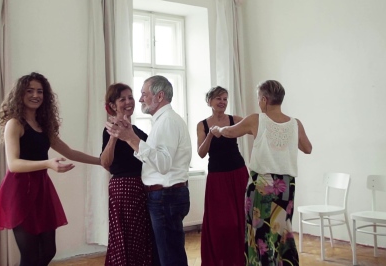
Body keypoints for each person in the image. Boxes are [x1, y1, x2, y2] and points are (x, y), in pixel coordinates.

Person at [0, 72, 101, 266]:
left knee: (48, 250)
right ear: (20, 93)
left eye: (40, 91)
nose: (35, 95)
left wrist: (100, 162)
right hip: (19, 192)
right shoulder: (14, 124)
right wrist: (47, 163)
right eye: (30, 90)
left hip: (41, 190)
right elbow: (13, 164)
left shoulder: (43, 125)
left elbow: (70, 152)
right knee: (29, 255)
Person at [210, 80, 312, 266]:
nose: (258, 103)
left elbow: (230, 132)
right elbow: (307, 148)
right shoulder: (295, 123)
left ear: (264, 99)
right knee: (281, 230)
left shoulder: (257, 119)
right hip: (286, 187)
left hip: (261, 186)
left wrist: (217, 129)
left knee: (259, 234)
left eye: (258, 99)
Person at [106, 75, 192, 266]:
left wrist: (130, 138)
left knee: (170, 257)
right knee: (168, 254)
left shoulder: (167, 121)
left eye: (144, 94)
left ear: (159, 96)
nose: (139, 100)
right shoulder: (163, 121)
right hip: (166, 196)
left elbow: (162, 164)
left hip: (165, 196)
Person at [100, 83, 154, 265]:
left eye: (130, 97)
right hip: (123, 189)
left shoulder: (138, 132)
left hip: (141, 187)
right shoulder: (109, 131)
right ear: (113, 105)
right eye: (122, 99)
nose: (128, 102)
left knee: (140, 237)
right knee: (124, 237)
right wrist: (114, 136)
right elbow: (106, 163)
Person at [197, 86, 249, 266]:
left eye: (225, 99)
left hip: (238, 173)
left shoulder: (235, 120)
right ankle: (221, 259)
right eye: (218, 98)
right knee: (222, 223)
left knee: (241, 218)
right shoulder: (202, 124)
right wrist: (211, 135)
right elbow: (201, 153)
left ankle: (243, 258)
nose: (222, 102)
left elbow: (254, 128)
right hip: (217, 177)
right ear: (209, 101)